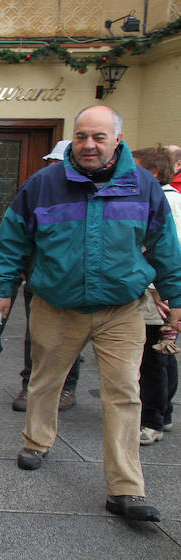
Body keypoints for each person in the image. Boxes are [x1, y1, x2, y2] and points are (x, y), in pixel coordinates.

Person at [0, 106, 181, 522]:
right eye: (81, 136)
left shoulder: (143, 186)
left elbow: (165, 244)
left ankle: (126, 490)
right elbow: (12, 239)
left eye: (98, 136)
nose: (89, 145)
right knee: (44, 379)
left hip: (122, 308)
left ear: (117, 138)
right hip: (57, 305)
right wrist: (3, 289)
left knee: (125, 394)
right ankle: (36, 441)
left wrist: (176, 295)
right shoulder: (43, 184)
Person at [12, 140, 82, 412]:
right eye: (51, 163)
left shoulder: (83, 194)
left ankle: (66, 387)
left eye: (59, 163)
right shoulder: (35, 189)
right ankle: (30, 385)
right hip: (39, 276)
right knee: (36, 335)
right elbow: (17, 231)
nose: (53, 168)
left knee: (71, 336)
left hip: (75, 280)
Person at [132, 146, 180, 445]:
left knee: (153, 356)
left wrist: (166, 290)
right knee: (159, 354)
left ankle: (153, 420)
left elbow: (170, 250)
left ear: (152, 174)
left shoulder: (166, 201)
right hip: (155, 289)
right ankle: (165, 412)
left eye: (134, 168)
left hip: (156, 292)